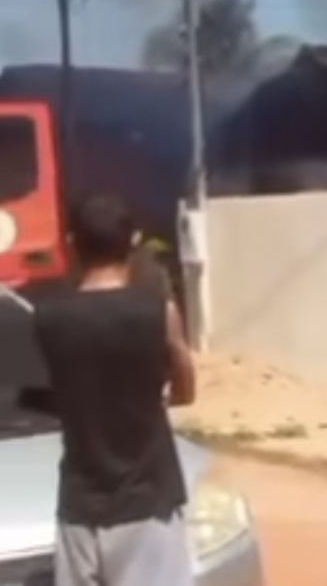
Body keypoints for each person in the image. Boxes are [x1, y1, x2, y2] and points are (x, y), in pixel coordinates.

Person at [33, 194, 197, 586]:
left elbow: (56, 388)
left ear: (72, 245)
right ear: (134, 242)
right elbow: (186, 384)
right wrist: (164, 397)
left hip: (79, 506)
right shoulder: (158, 310)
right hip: (147, 504)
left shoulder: (48, 316)